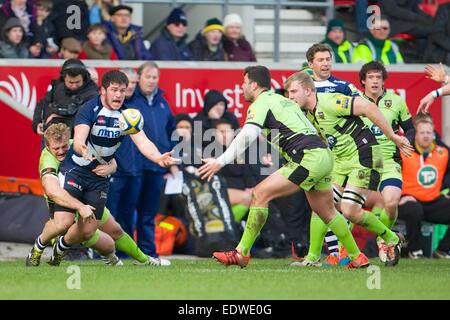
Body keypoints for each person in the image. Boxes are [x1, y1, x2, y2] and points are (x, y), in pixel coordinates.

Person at [199, 66, 371, 269]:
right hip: (324, 157)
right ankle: (357, 256)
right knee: (328, 212)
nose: (242, 87)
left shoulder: (261, 102)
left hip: (307, 157)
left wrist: (220, 161)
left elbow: (247, 135)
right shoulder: (282, 100)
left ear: (254, 85)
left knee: (260, 194)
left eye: (244, 83)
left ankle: (241, 253)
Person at [46, 70, 179, 266]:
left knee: (94, 229)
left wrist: (158, 157)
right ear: (103, 91)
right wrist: (82, 148)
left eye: (122, 91)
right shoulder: (90, 109)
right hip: (76, 171)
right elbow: (79, 137)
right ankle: (39, 247)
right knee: (63, 222)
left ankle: (62, 248)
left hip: (98, 179)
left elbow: (143, 142)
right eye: (114, 90)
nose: (118, 95)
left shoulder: (126, 116)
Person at [285, 71, 412, 267]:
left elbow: (368, 107)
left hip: (365, 155)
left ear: (308, 90)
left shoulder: (330, 101)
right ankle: (312, 257)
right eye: (288, 92)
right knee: (320, 205)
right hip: (341, 161)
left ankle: (391, 238)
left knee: (350, 210)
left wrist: (392, 136)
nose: (290, 96)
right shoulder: (308, 113)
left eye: (294, 91)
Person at [26, 123, 168, 267]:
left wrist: (111, 167)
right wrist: (81, 207)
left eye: (64, 146)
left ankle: (144, 260)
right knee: (63, 224)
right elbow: (53, 191)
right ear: (48, 147)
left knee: (113, 236)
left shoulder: (77, 146)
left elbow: (108, 158)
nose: (62, 151)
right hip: (63, 206)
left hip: (86, 198)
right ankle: (38, 249)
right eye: (56, 148)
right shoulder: (47, 158)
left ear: (69, 140)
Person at [117, 62, 176, 260]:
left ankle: (149, 253)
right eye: (147, 77)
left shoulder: (162, 102)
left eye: (155, 77)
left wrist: (170, 158)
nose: (151, 81)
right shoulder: (130, 101)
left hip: (156, 167)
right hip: (134, 167)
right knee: (126, 214)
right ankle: (123, 253)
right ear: (138, 78)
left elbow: (171, 131)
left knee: (149, 214)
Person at [359, 61, 413, 261]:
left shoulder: (396, 101)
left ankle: (383, 240)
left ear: (383, 81)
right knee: (346, 207)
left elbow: (410, 128)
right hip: (362, 163)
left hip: (389, 161)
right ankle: (340, 252)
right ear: (363, 81)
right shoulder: (355, 102)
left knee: (391, 203)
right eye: (371, 77)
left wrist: (408, 140)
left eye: (378, 77)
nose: (375, 81)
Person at [398, 115, 450, 259]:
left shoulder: (443, 153)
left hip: (432, 201)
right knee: (413, 209)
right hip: (407, 200)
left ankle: (443, 250)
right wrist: (398, 197)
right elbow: (389, 175)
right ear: (416, 134)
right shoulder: (403, 152)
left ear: (433, 134)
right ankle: (414, 250)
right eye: (422, 133)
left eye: (429, 133)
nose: (426, 136)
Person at [32, 59, 98, 137]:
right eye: (70, 82)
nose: (74, 86)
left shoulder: (92, 94)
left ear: (84, 78)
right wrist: (37, 123)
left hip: (78, 140)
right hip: (52, 139)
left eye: (77, 82)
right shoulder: (57, 87)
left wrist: (58, 119)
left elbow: (88, 120)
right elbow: (42, 103)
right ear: (64, 79)